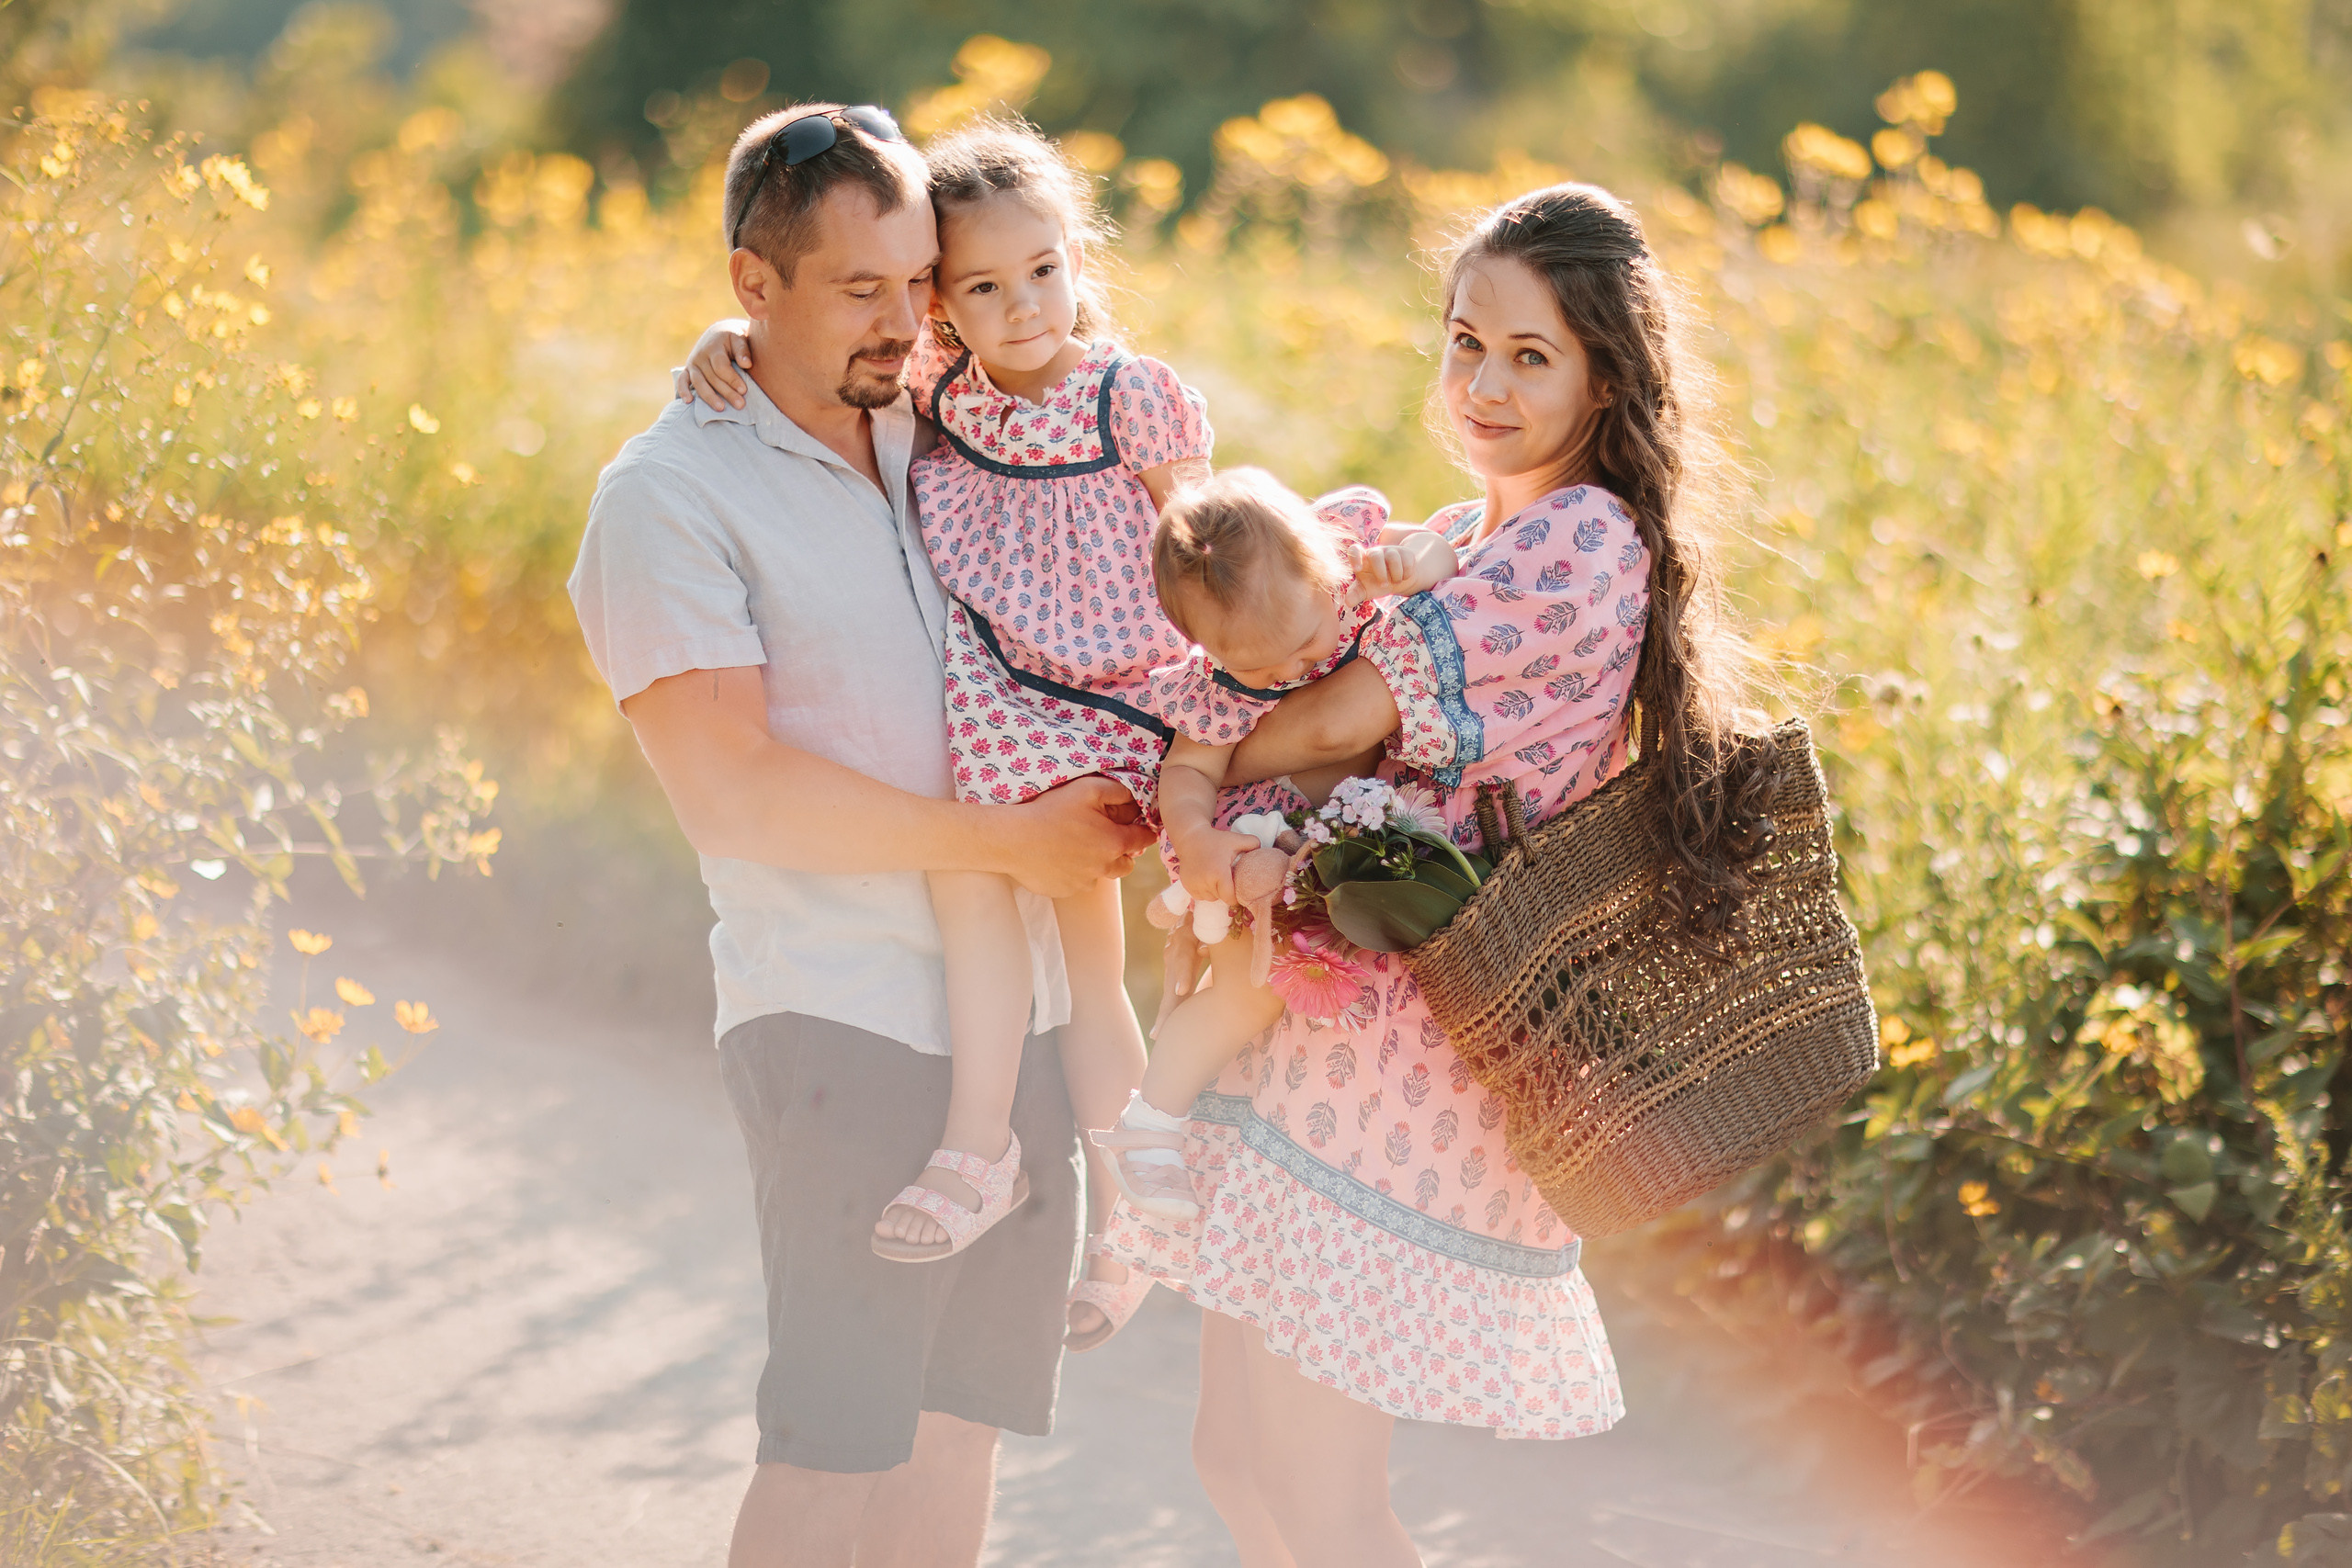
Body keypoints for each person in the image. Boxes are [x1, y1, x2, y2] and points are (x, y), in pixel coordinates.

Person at [1102, 182, 1766, 1568]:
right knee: (1236, 1456)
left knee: (1324, 1495)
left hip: (1395, 1053)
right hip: (1317, 1022)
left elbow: (1345, 716)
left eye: (1532, 355)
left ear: (1606, 375)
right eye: (1467, 340)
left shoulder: (1581, 542)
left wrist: (1201, 751)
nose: (1484, 381)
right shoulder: (1462, 534)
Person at [569, 103, 1153, 1568]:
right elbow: (736, 790)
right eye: (861, 291)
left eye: (919, 282)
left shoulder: (945, 416)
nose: (908, 324)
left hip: (1014, 1026)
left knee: (957, 1442)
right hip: (839, 1024)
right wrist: (1004, 844)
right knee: (836, 1447)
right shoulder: (668, 497)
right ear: (750, 288)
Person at [1093, 467, 1457, 1221]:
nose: (1291, 672)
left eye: (1300, 645)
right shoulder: (1215, 688)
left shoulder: (1347, 559)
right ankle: (1149, 1124)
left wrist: (1414, 562)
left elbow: (1441, 558)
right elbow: (1190, 768)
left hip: (1336, 839)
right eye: (1259, 668)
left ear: (1325, 565)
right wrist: (1194, 837)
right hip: (1255, 846)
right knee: (1246, 994)